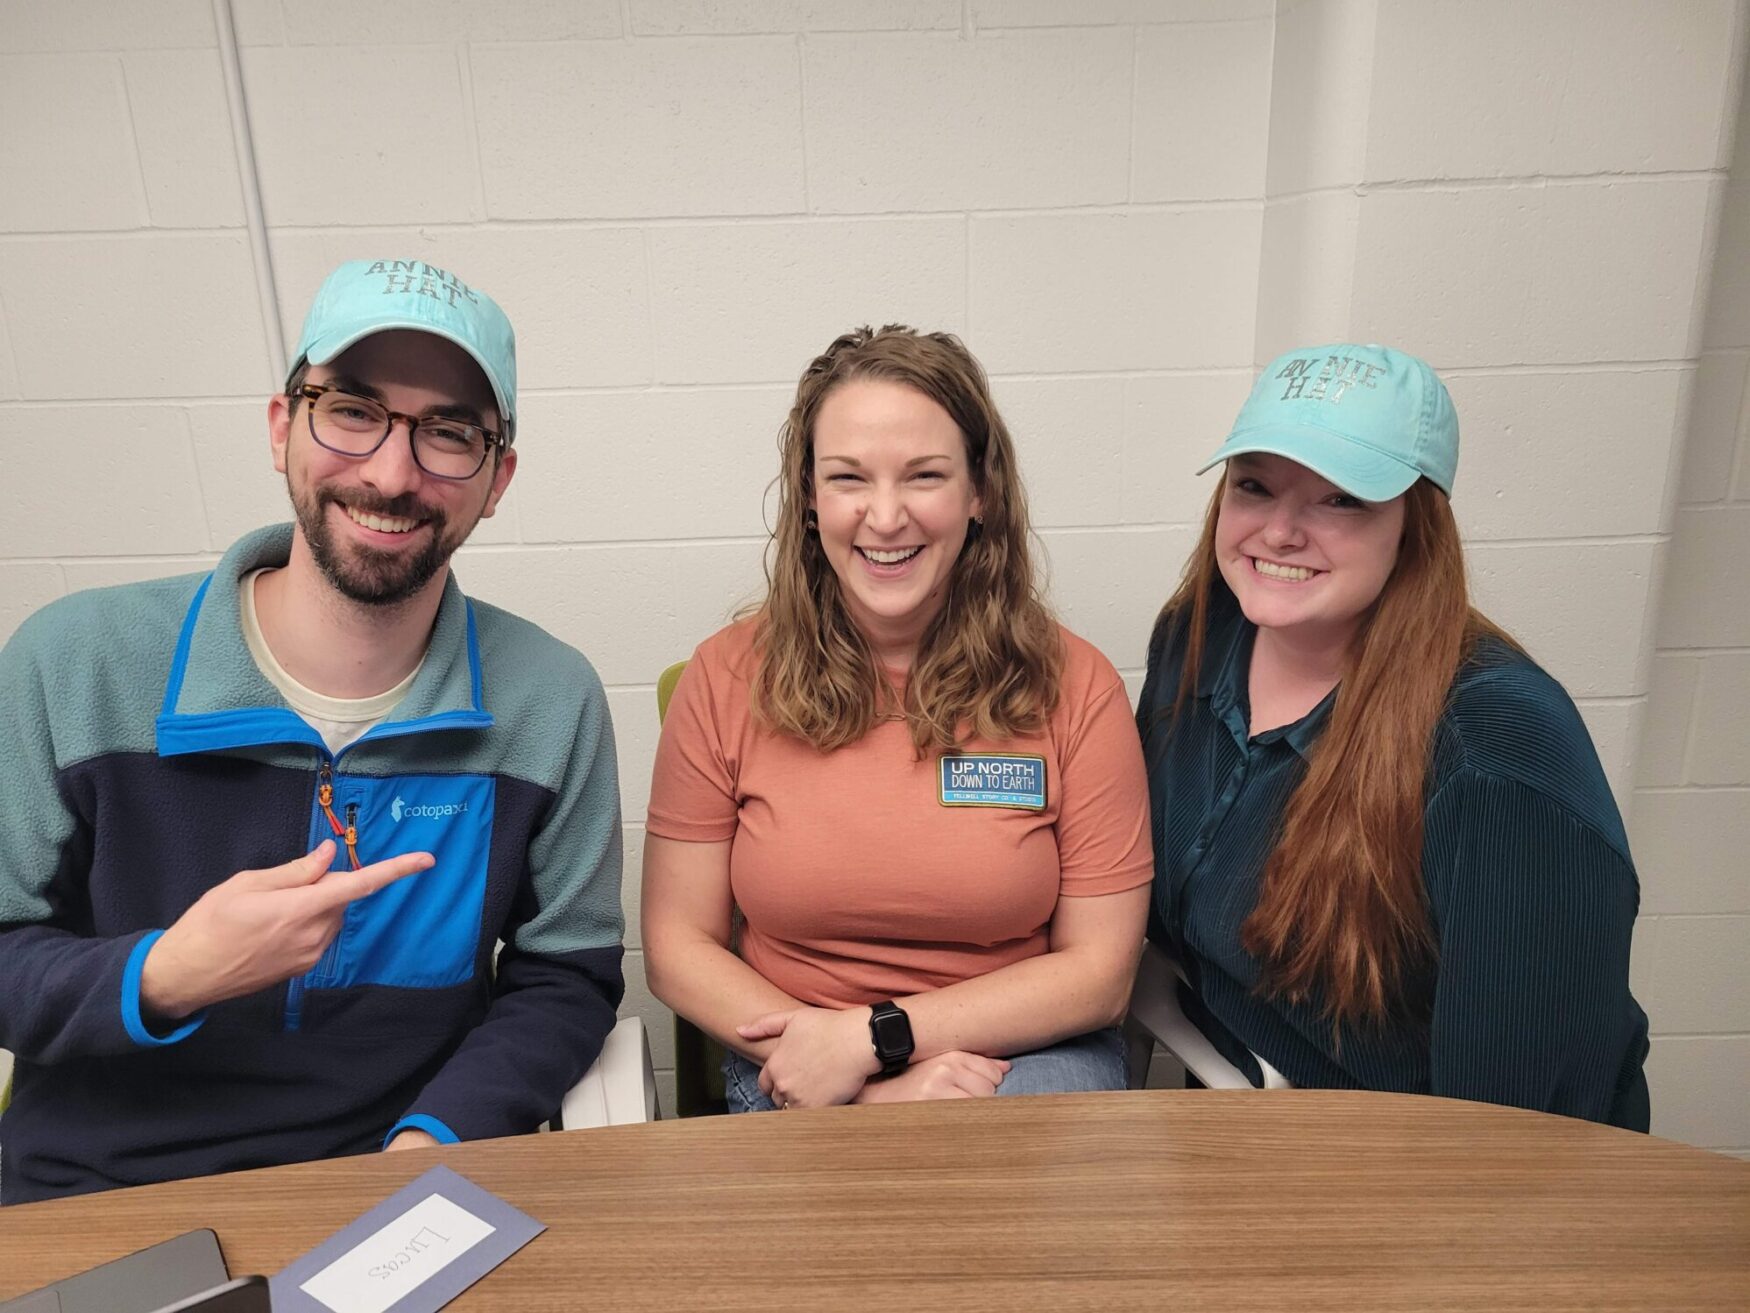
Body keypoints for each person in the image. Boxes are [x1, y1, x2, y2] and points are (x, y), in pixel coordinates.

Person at [0, 259, 625, 1203]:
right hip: (102, 1193)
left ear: (497, 479)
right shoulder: (75, 662)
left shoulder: (550, 698)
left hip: (396, 1185)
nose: (390, 471)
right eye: (352, 410)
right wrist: (164, 972)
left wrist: (436, 1141)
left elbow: (566, 977)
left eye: (449, 432)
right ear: (282, 427)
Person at [1137, 343, 1649, 1127]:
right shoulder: (1200, 634)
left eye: (1340, 499)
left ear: (1417, 527)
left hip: (1403, 1167)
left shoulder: (1493, 755)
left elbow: (1512, 1131)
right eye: (1254, 485)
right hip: (1228, 1105)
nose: (1279, 531)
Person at [643, 325, 1151, 1112]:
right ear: (810, 497)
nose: (885, 516)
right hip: (795, 1052)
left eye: (924, 476)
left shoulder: (1076, 687)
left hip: (1023, 1059)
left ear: (980, 492)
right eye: (849, 477)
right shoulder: (724, 678)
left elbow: (1102, 973)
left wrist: (880, 1038)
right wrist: (842, 1070)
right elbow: (679, 947)